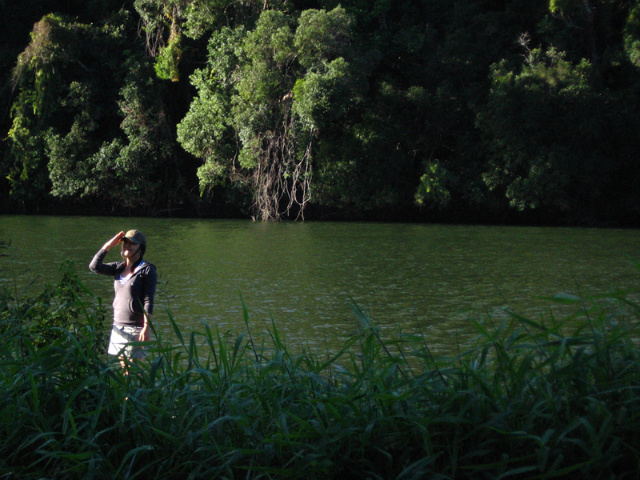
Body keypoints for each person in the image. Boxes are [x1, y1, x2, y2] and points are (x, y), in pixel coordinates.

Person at [89, 230, 157, 367]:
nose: (128, 246)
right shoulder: (118, 267)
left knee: (133, 372)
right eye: (125, 242)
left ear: (141, 248)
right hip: (118, 326)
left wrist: (146, 327)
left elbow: (148, 300)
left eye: (132, 243)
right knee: (124, 374)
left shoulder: (147, 270)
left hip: (136, 328)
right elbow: (94, 267)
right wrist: (109, 245)